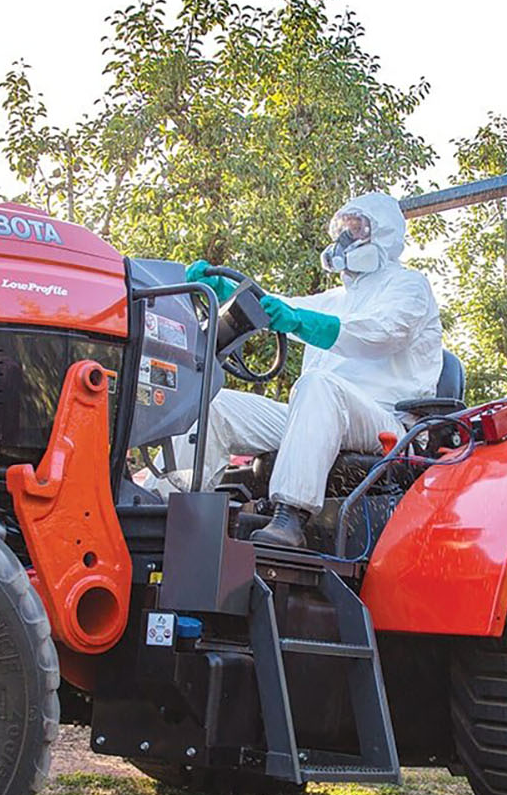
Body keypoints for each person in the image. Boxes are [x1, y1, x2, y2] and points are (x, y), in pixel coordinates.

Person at [185, 190, 442, 549]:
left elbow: (382, 333)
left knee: (318, 384)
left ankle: (289, 518)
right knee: (216, 404)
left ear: (383, 234)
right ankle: (173, 503)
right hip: (318, 414)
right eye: (341, 229)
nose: (343, 240)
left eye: (355, 229)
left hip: (388, 423)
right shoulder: (336, 299)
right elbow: (276, 303)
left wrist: (301, 323)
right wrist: (224, 289)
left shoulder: (409, 286)